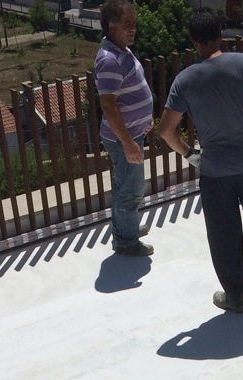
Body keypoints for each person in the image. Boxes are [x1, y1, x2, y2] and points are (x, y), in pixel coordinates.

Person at [159, 11, 243, 313]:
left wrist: (189, 153)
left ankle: (234, 295)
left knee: (223, 234)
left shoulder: (185, 80)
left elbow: (166, 131)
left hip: (215, 172)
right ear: (221, 35)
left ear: (194, 41)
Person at [95, 0, 155, 257]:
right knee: (131, 190)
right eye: (127, 25)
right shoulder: (109, 60)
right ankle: (126, 241)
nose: (133, 29)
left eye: (134, 24)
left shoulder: (121, 51)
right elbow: (108, 107)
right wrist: (129, 143)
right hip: (123, 139)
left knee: (124, 186)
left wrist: (144, 119)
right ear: (112, 26)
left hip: (130, 134)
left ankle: (125, 229)